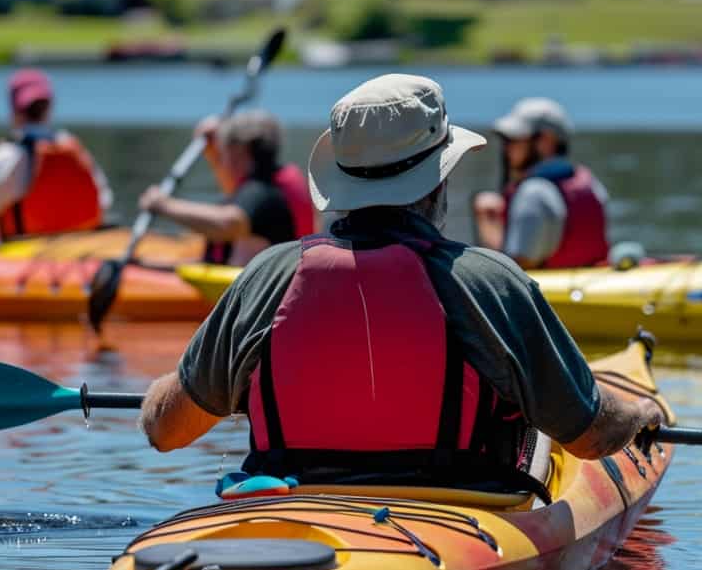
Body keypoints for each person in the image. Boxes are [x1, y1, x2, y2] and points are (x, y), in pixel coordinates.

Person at [138, 74, 666, 496]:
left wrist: (177, 385)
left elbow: (165, 430)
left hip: (288, 506)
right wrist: (637, 415)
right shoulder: (489, 283)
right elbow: (589, 434)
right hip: (456, 511)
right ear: (439, 179)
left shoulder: (266, 277)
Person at [138, 110, 314, 268]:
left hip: (251, 290)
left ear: (238, 152)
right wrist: (212, 150)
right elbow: (235, 191)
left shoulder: (260, 194)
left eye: (223, 154)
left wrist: (163, 205)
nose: (222, 162)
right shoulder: (276, 180)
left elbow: (228, 224)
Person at [0, 68, 113, 239]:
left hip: (26, 254)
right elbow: (104, 201)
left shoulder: (11, 154)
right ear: (49, 107)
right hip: (80, 252)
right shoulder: (73, 147)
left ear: (14, 110)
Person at [472, 97, 609, 269]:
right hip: (586, 280)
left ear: (545, 140)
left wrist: (487, 221)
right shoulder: (590, 182)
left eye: (513, 139)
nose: (506, 148)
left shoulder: (533, 194)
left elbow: (511, 272)